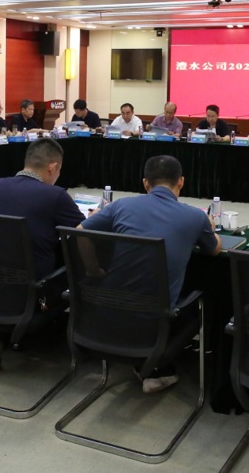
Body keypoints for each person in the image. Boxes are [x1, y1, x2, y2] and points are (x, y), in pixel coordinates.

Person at [80, 155, 221, 392]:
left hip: (105, 315)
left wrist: (93, 269)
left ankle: (148, 366)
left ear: (145, 183)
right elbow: (215, 249)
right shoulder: (195, 216)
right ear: (181, 182)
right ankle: (160, 366)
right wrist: (210, 227)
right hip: (154, 324)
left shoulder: (120, 206)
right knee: (203, 296)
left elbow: (79, 232)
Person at [0, 137, 85, 370]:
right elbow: (82, 234)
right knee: (77, 261)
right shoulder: (55, 195)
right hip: (36, 290)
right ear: (52, 167)